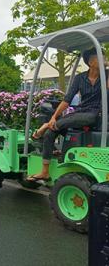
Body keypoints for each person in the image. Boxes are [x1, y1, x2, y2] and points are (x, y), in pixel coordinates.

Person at [28, 48, 108, 183]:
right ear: (91, 62)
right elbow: (67, 100)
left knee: (88, 118)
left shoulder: (107, 75)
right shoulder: (80, 78)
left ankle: (45, 126)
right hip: (81, 112)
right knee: (50, 133)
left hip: (97, 114)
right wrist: (54, 117)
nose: (104, 60)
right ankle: (45, 171)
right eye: (101, 57)